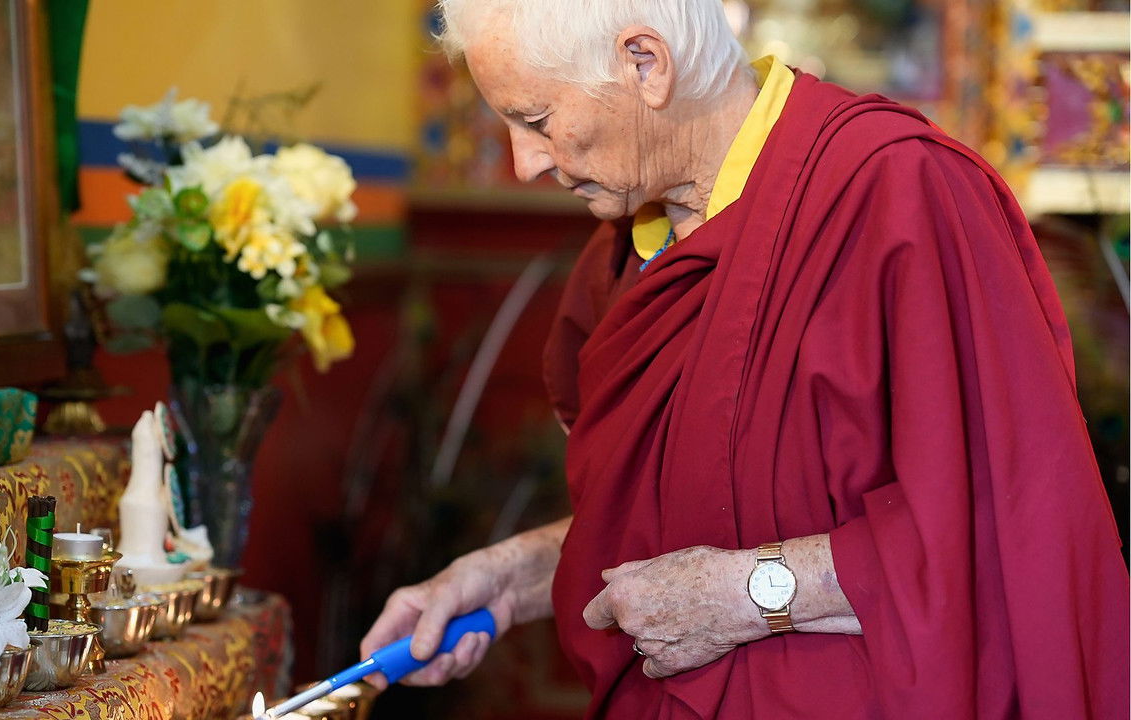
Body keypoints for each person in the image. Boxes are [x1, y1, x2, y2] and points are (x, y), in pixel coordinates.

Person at [360, 1, 1130, 718]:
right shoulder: (629, 249)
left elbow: (1006, 531)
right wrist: (509, 576)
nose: (526, 163)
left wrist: (743, 594)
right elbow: (688, 511)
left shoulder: (899, 193)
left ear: (645, 64)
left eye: (535, 120)